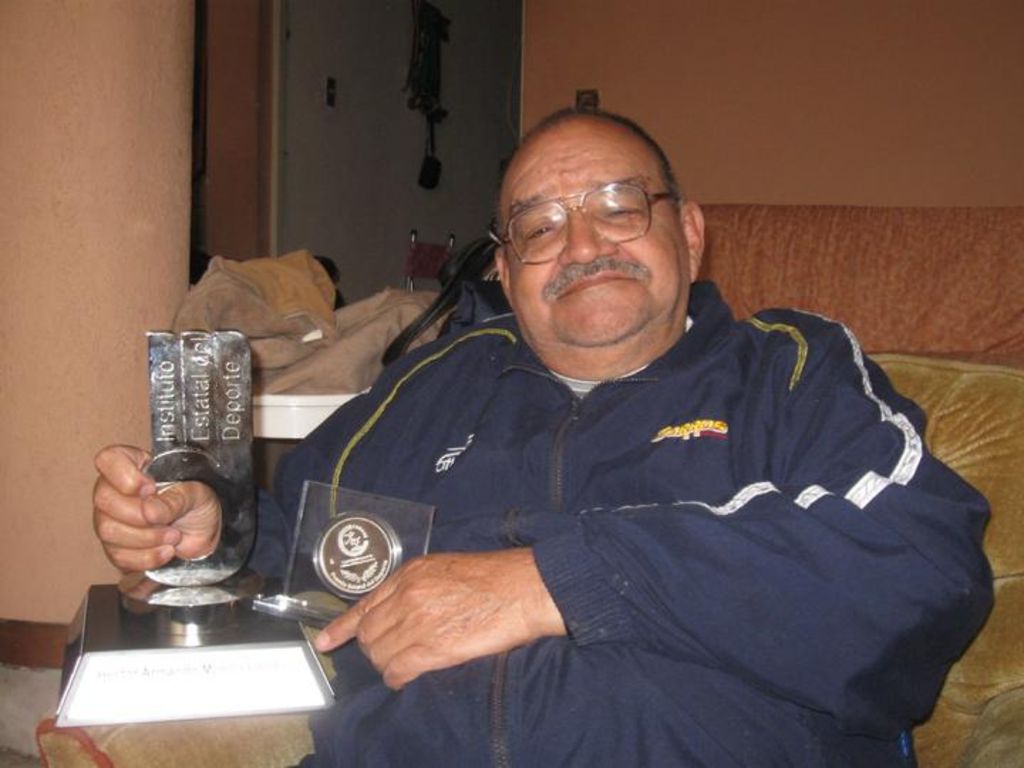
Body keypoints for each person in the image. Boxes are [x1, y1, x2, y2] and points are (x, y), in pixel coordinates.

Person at [93, 108, 993, 766]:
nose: (583, 244)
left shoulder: (790, 370)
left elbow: (918, 569)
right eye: (539, 226)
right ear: (505, 269)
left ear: (688, 233)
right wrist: (206, 540)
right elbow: (311, 561)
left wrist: (554, 583)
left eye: (619, 205)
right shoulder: (427, 387)